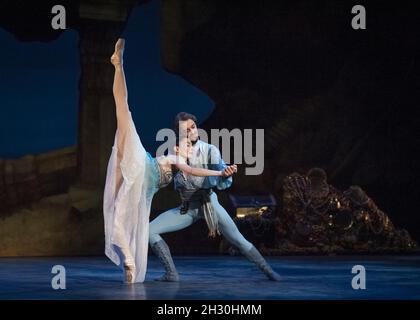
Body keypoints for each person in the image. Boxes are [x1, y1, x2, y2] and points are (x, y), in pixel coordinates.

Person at [103, 39, 236, 283]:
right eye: (184, 143)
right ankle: (118, 66)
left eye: (190, 144)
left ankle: (129, 262)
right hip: (138, 164)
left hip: (142, 182)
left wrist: (220, 174)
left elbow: (193, 171)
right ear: (175, 146)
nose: (188, 146)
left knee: (122, 223)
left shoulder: (180, 164)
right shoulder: (173, 155)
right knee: (123, 111)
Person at [149, 112, 281, 281]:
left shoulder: (210, 149)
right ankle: (171, 273)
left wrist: (224, 173)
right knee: (150, 230)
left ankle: (268, 271)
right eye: (186, 130)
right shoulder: (176, 151)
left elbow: (220, 172)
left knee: (238, 240)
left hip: (209, 204)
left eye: (193, 127)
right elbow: (175, 178)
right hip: (188, 207)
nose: (191, 131)